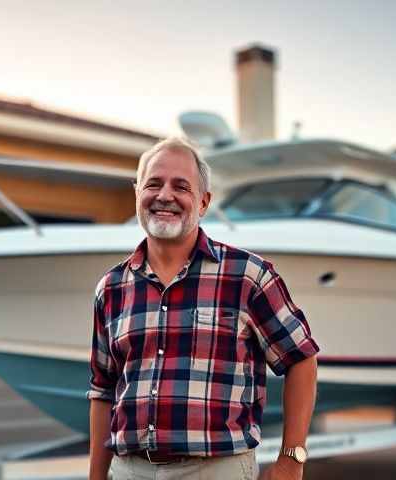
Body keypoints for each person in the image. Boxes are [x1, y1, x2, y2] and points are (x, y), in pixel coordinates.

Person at [88, 136, 319, 480]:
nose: (165, 195)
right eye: (153, 183)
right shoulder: (112, 288)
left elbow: (301, 359)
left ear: (204, 201)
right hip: (129, 471)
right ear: (138, 193)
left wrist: (292, 459)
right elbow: (103, 390)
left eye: (181, 186)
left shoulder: (248, 276)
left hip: (216, 470)